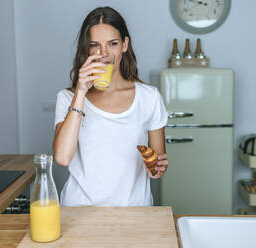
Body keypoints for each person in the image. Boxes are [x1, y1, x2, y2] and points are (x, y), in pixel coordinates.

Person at [53, 6, 169, 207]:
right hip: (79, 212)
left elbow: (155, 170)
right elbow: (62, 157)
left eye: (112, 44)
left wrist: (157, 168)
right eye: (94, 45)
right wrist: (80, 92)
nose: (103, 53)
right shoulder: (68, 98)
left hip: (135, 213)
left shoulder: (149, 98)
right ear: (86, 49)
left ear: (125, 45)